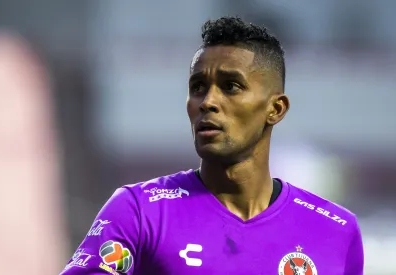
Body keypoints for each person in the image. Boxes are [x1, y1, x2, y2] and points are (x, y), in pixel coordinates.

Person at [60, 16, 364, 275]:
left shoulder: (336, 230)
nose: (208, 102)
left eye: (231, 86)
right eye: (198, 88)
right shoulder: (139, 212)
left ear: (276, 109)